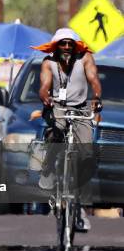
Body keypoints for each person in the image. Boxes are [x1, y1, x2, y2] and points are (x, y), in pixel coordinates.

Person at [32, 27, 103, 231]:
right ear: (56, 46)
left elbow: (94, 80)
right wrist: (45, 96)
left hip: (80, 109)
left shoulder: (85, 59)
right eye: (62, 44)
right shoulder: (49, 62)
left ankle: (77, 205)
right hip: (57, 107)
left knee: (87, 153)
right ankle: (48, 170)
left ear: (75, 46)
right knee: (55, 133)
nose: (66, 47)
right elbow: (44, 86)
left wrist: (97, 97)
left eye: (70, 44)